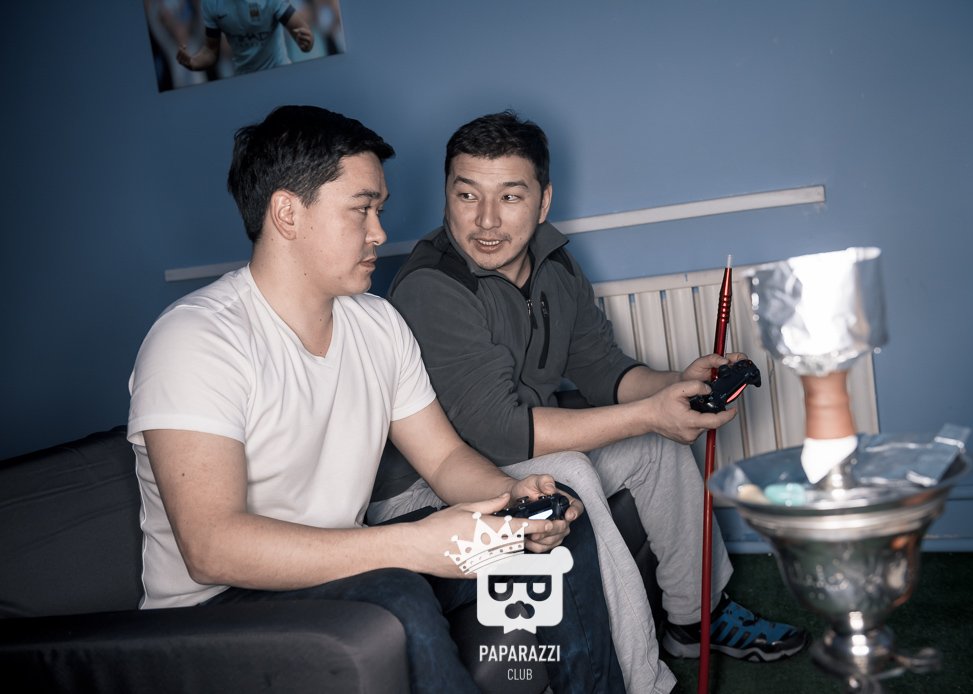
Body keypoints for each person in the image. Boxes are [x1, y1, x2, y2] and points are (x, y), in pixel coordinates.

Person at [127, 105, 624, 694]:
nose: (380, 232)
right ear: (287, 213)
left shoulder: (377, 323)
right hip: (213, 615)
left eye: (379, 210)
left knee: (549, 530)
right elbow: (212, 548)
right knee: (394, 593)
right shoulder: (197, 338)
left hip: (341, 569)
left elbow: (443, 458)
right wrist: (413, 546)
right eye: (361, 209)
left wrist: (510, 500)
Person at [375, 111, 810, 676]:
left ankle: (696, 619)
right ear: (447, 196)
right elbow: (499, 433)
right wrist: (648, 414)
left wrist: (680, 383)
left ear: (543, 201)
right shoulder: (432, 286)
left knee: (655, 446)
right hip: (431, 484)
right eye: (467, 195)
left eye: (510, 196)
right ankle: (642, 683)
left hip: (512, 451)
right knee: (572, 474)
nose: (486, 220)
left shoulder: (554, 262)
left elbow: (604, 370)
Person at [176, 0, 314, 76]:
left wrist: (307, 41)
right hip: (244, 79)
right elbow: (211, 50)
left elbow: (300, 28)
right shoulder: (211, 4)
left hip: (279, 71)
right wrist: (193, 62)